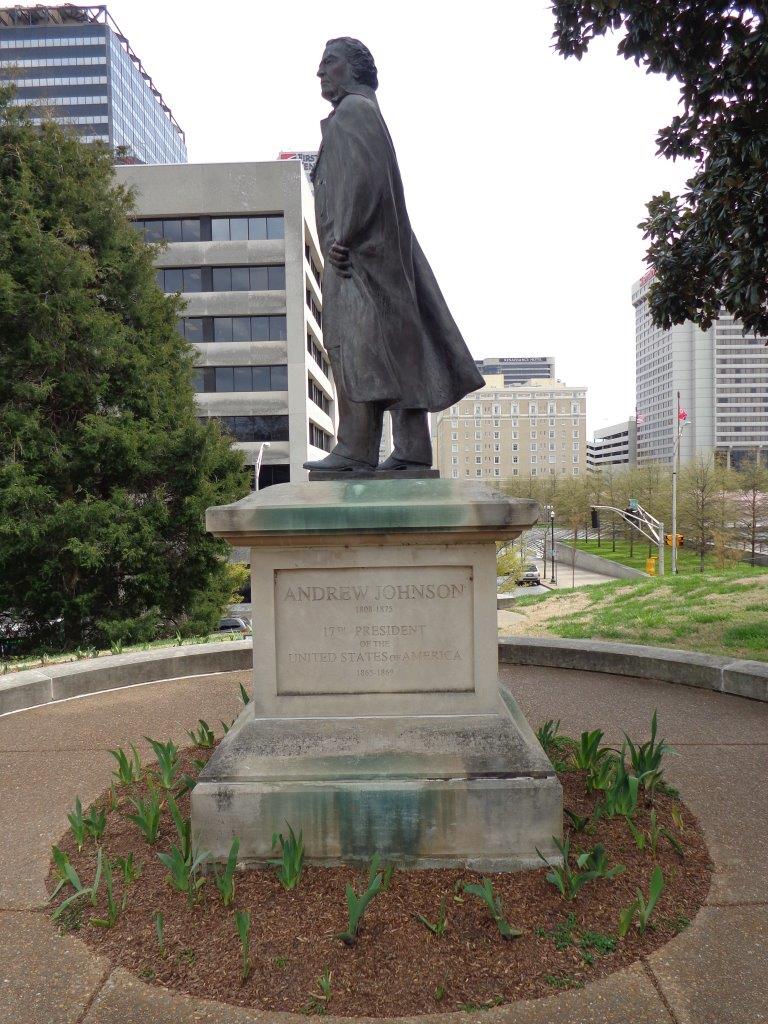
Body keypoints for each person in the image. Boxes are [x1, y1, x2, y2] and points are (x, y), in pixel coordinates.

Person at [304, 37, 484, 474]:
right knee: (397, 347)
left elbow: (363, 179)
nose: (319, 72)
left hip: (356, 256)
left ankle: (356, 449)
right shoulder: (362, 114)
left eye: (329, 63)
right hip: (372, 254)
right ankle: (410, 450)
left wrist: (341, 236)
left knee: (356, 348)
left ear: (355, 69)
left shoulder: (354, 113)